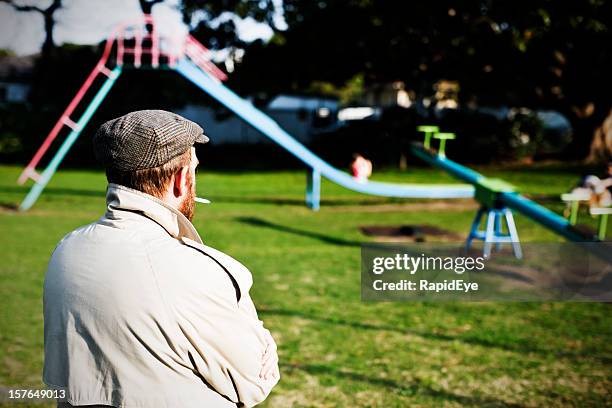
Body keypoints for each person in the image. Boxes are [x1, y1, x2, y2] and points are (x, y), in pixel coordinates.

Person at [43, 110, 279, 408]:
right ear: (181, 180)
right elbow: (255, 379)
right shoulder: (198, 269)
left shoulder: (66, 249)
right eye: (195, 169)